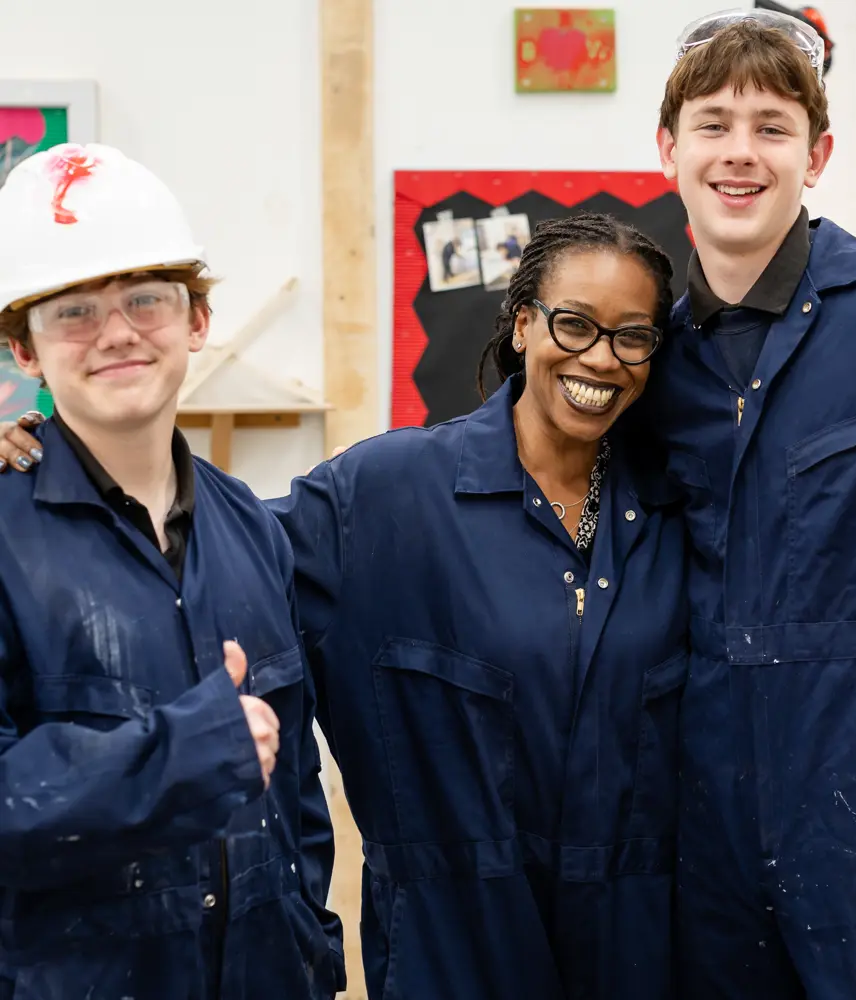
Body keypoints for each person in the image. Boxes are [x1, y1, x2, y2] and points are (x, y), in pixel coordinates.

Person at [0, 212, 687, 999]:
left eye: (633, 336)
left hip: (639, 957)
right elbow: (193, 549)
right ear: (524, 324)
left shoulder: (679, 510)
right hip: (451, 961)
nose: (601, 356)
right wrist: (55, 459)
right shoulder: (388, 497)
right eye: (574, 324)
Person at [634, 9, 856, 998]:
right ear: (667, 149)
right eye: (712, 124)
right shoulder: (650, 367)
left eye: (770, 125)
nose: (739, 153)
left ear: (817, 152)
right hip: (708, 829)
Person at [0, 143, 344, 999]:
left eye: (145, 300)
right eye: (72, 311)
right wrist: (183, 756)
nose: (116, 332)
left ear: (195, 320)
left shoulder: (253, 531)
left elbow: (295, 791)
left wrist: (314, 951)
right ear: (25, 351)